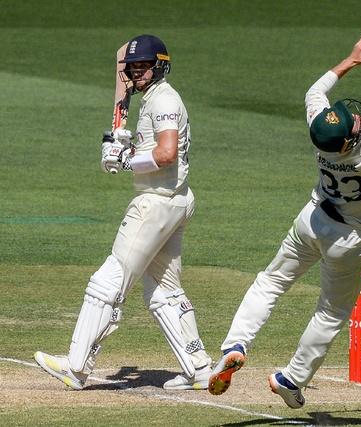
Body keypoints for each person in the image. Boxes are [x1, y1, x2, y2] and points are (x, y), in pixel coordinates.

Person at [206, 29, 361, 408]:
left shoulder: (320, 130)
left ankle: (235, 344)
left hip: (312, 221)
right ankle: (291, 378)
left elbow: (314, 92)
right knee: (331, 311)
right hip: (348, 240)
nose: (355, 118)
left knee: (270, 282)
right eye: (351, 122)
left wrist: (348, 62)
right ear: (349, 141)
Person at [34, 34, 213, 390]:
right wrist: (123, 144)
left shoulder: (164, 100)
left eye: (144, 66)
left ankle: (76, 367)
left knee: (108, 282)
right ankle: (199, 368)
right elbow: (122, 57)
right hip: (175, 200)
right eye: (133, 68)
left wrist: (125, 159)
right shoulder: (151, 97)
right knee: (163, 289)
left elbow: (165, 154)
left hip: (155, 204)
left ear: (160, 66)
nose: (136, 73)